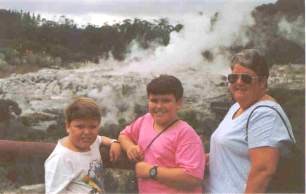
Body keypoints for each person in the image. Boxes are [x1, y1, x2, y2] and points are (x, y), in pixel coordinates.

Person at [205, 49, 296, 193]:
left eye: (246, 78)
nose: (239, 82)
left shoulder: (265, 115)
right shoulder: (237, 106)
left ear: (262, 82)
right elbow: (232, 149)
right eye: (233, 78)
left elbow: (263, 171)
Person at [119, 75, 205, 194]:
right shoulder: (146, 120)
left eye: (166, 101)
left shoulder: (186, 134)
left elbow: (193, 177)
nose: (159, 106)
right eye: (154, 100)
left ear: (178, 103)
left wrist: (151, 171)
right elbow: (124, 135)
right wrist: (130, 147)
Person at [45, 97, 121, 194]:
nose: (87, 132)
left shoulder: (92, 142)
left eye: (93, 127)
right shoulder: (61, 158)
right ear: (67, 126)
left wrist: (113, 142)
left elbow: (100, 138)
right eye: (80, 126)